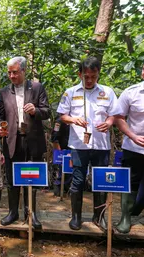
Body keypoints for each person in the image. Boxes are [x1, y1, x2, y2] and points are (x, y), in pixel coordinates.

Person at [57, 56, 120, 231]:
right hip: (78, 145)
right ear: (80, 74)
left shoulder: (107, 92)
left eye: (93, 76)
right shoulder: (70, 92)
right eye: (86, 76)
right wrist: (73, 119)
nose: (90, 80)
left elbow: (115, 114)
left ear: (98, 74)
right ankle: (76, 217)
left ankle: (98, 217)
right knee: (77, 180)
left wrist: (108, 122)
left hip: (101, 145)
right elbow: (62, 115)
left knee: (100, 182)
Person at [0, 56, 50, 229]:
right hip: (12, 141)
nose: (12, 76)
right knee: (12, 179)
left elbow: (47, 111)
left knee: (31, 178)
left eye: (15, 72)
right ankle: (13, 212)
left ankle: (30, 213)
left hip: (32, 141)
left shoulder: (37, 88)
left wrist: (36, 111)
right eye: (9, 72)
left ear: (24, 71)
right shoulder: (4, 92)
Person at [114, 64, 144, 233]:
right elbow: (119, 117)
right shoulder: (131, 92)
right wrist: (133, 136)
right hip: (134, 147)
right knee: (129, 183)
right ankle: (125, 218)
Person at [51, 113, 72, 196]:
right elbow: (55, 138)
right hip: (63, 149)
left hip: (71, 148)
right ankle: (58, 187)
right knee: (62, 170)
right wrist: (59, 151)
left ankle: (66, 189)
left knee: (69, 171)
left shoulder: (73, 119)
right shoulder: (59, 121)